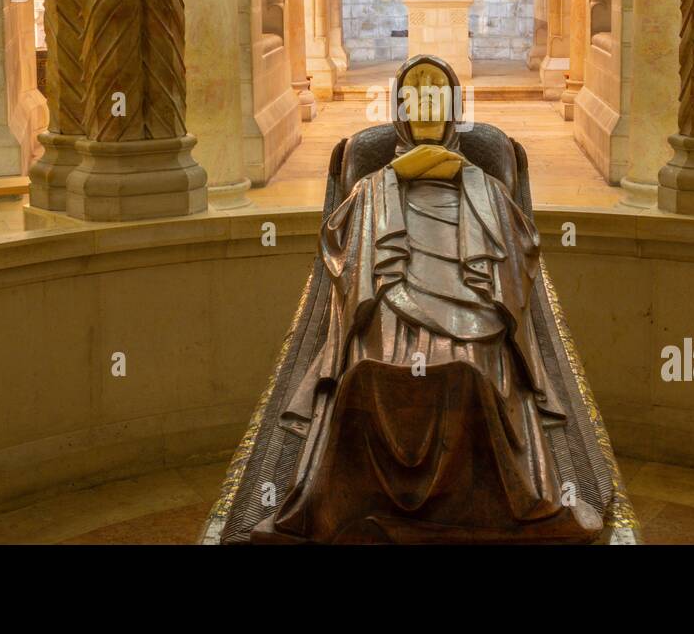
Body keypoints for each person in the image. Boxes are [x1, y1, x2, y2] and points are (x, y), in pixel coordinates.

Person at [251, 55, 601, 543]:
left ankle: (488, 494)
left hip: (472, 309)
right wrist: (392, 179)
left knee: (476, 366)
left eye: (438, 91)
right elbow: (342, 255)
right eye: (416, 91)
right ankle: (349, 491)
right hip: (393, 300)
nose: (427, 102)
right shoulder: (372, 188)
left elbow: (517, 264)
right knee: (367, 364)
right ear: (401, 108)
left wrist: (469, 186)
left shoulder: (489, 188)